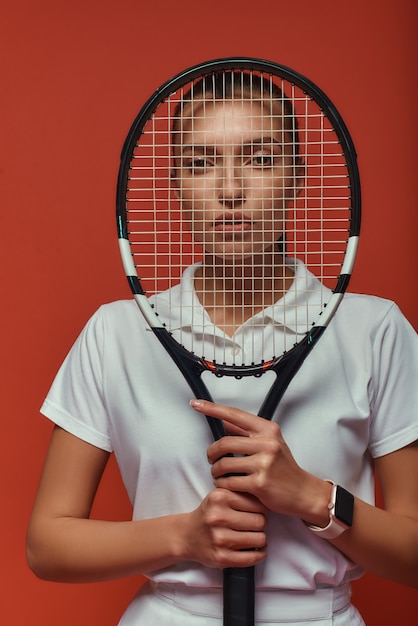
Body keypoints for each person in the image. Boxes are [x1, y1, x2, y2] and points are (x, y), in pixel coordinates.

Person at [26, 69, 418, 625]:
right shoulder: (114, 333)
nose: (230, 190)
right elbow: (46, 546)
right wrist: (183, 535)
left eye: (259, 159)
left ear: (297, 178)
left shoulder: (376, 330)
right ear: (176, 183)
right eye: (200, 162)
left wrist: (312, 498)